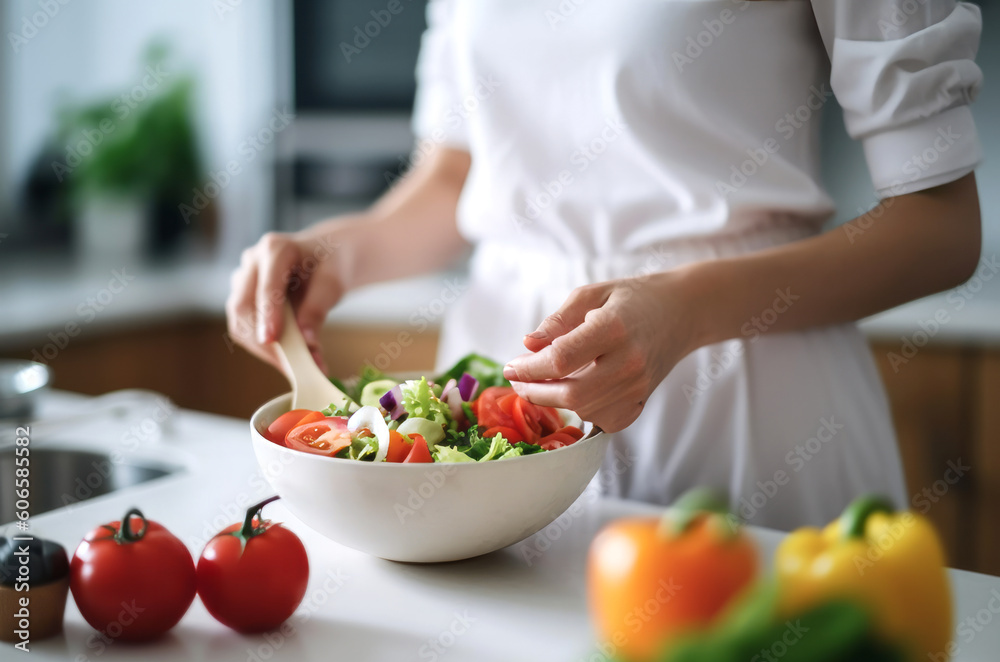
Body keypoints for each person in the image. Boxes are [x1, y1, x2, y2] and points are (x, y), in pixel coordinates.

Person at [227, 0, 984, 530]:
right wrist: (333, 254)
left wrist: (684, 307)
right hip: (505, 420)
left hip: (744, 395)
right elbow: (453, 180)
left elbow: (941, 227)